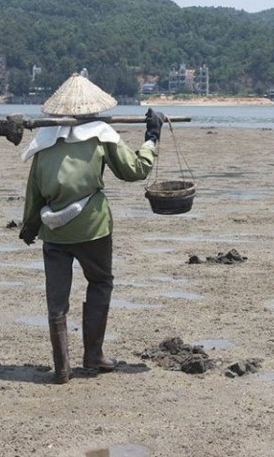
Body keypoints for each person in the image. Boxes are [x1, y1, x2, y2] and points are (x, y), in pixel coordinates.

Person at [18, 72, 164, 384]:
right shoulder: (102, 134)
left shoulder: (44, 139)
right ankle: (93, 354)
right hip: (93, 227)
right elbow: (136, 170)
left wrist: (29, 224)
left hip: (52, 228)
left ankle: (61, 368)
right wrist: (152, 137)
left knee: (56, 299)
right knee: (100, 281)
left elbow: (35, 189)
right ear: (94, 108)